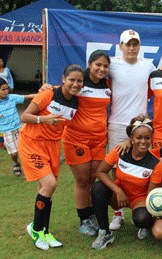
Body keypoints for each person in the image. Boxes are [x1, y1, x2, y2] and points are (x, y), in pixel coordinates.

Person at [19, 64, 83, 250]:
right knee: (50, 184)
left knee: (45, 188)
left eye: (79, 81)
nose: (75, 84)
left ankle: (44, 230)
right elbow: (25, 116)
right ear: (63, 78)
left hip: (53, 146)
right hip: (32, 142)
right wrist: (42, 119)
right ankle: (37, 230)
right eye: (71, 79)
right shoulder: (48, 93)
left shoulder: (75, 101)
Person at [90, 115, 162, 249]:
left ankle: (144, 225)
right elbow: (100, 172)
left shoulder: (155, 164)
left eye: (147, 138)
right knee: (97, 188)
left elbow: (151, 195)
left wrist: (150, 214)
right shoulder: (121, 150)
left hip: (140, 199)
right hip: (119, 194)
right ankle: (105, 232)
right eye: (138, 138)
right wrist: (118, 191)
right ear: (131, 138)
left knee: (141, 219)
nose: (143, 141)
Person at [108, 29, 156, 230]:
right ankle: (118, 214)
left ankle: (145, 211)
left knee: (144, 169)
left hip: (142, 126)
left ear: (139, 46)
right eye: (127, 44)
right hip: (117, 126)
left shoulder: (148, 65)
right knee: (114, 169)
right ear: (120, 46)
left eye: (135, 44)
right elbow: (88, 76)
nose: (131, 48)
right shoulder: (111, 64)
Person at [61, 50, 111, 236]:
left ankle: (91, 215)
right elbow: (58, 93)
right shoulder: (78, 82)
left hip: (99, 140)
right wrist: (45, 88)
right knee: (82, 180)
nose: (101, 68)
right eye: (98, 64)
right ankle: (84, 220)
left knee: (93, 178)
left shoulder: (107, 84)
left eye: (105, 66)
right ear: (89, 64)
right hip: (76, 139)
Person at [0, 78, 35, 176]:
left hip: (20, 128)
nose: (6, 91)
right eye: (3, 89)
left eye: (7, 89)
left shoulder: (12, 97)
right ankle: (16, 163)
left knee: (25, 149)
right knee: (14, 153)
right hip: (7, 131)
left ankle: (28, 167)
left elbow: (27, 97)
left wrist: (42, 95)